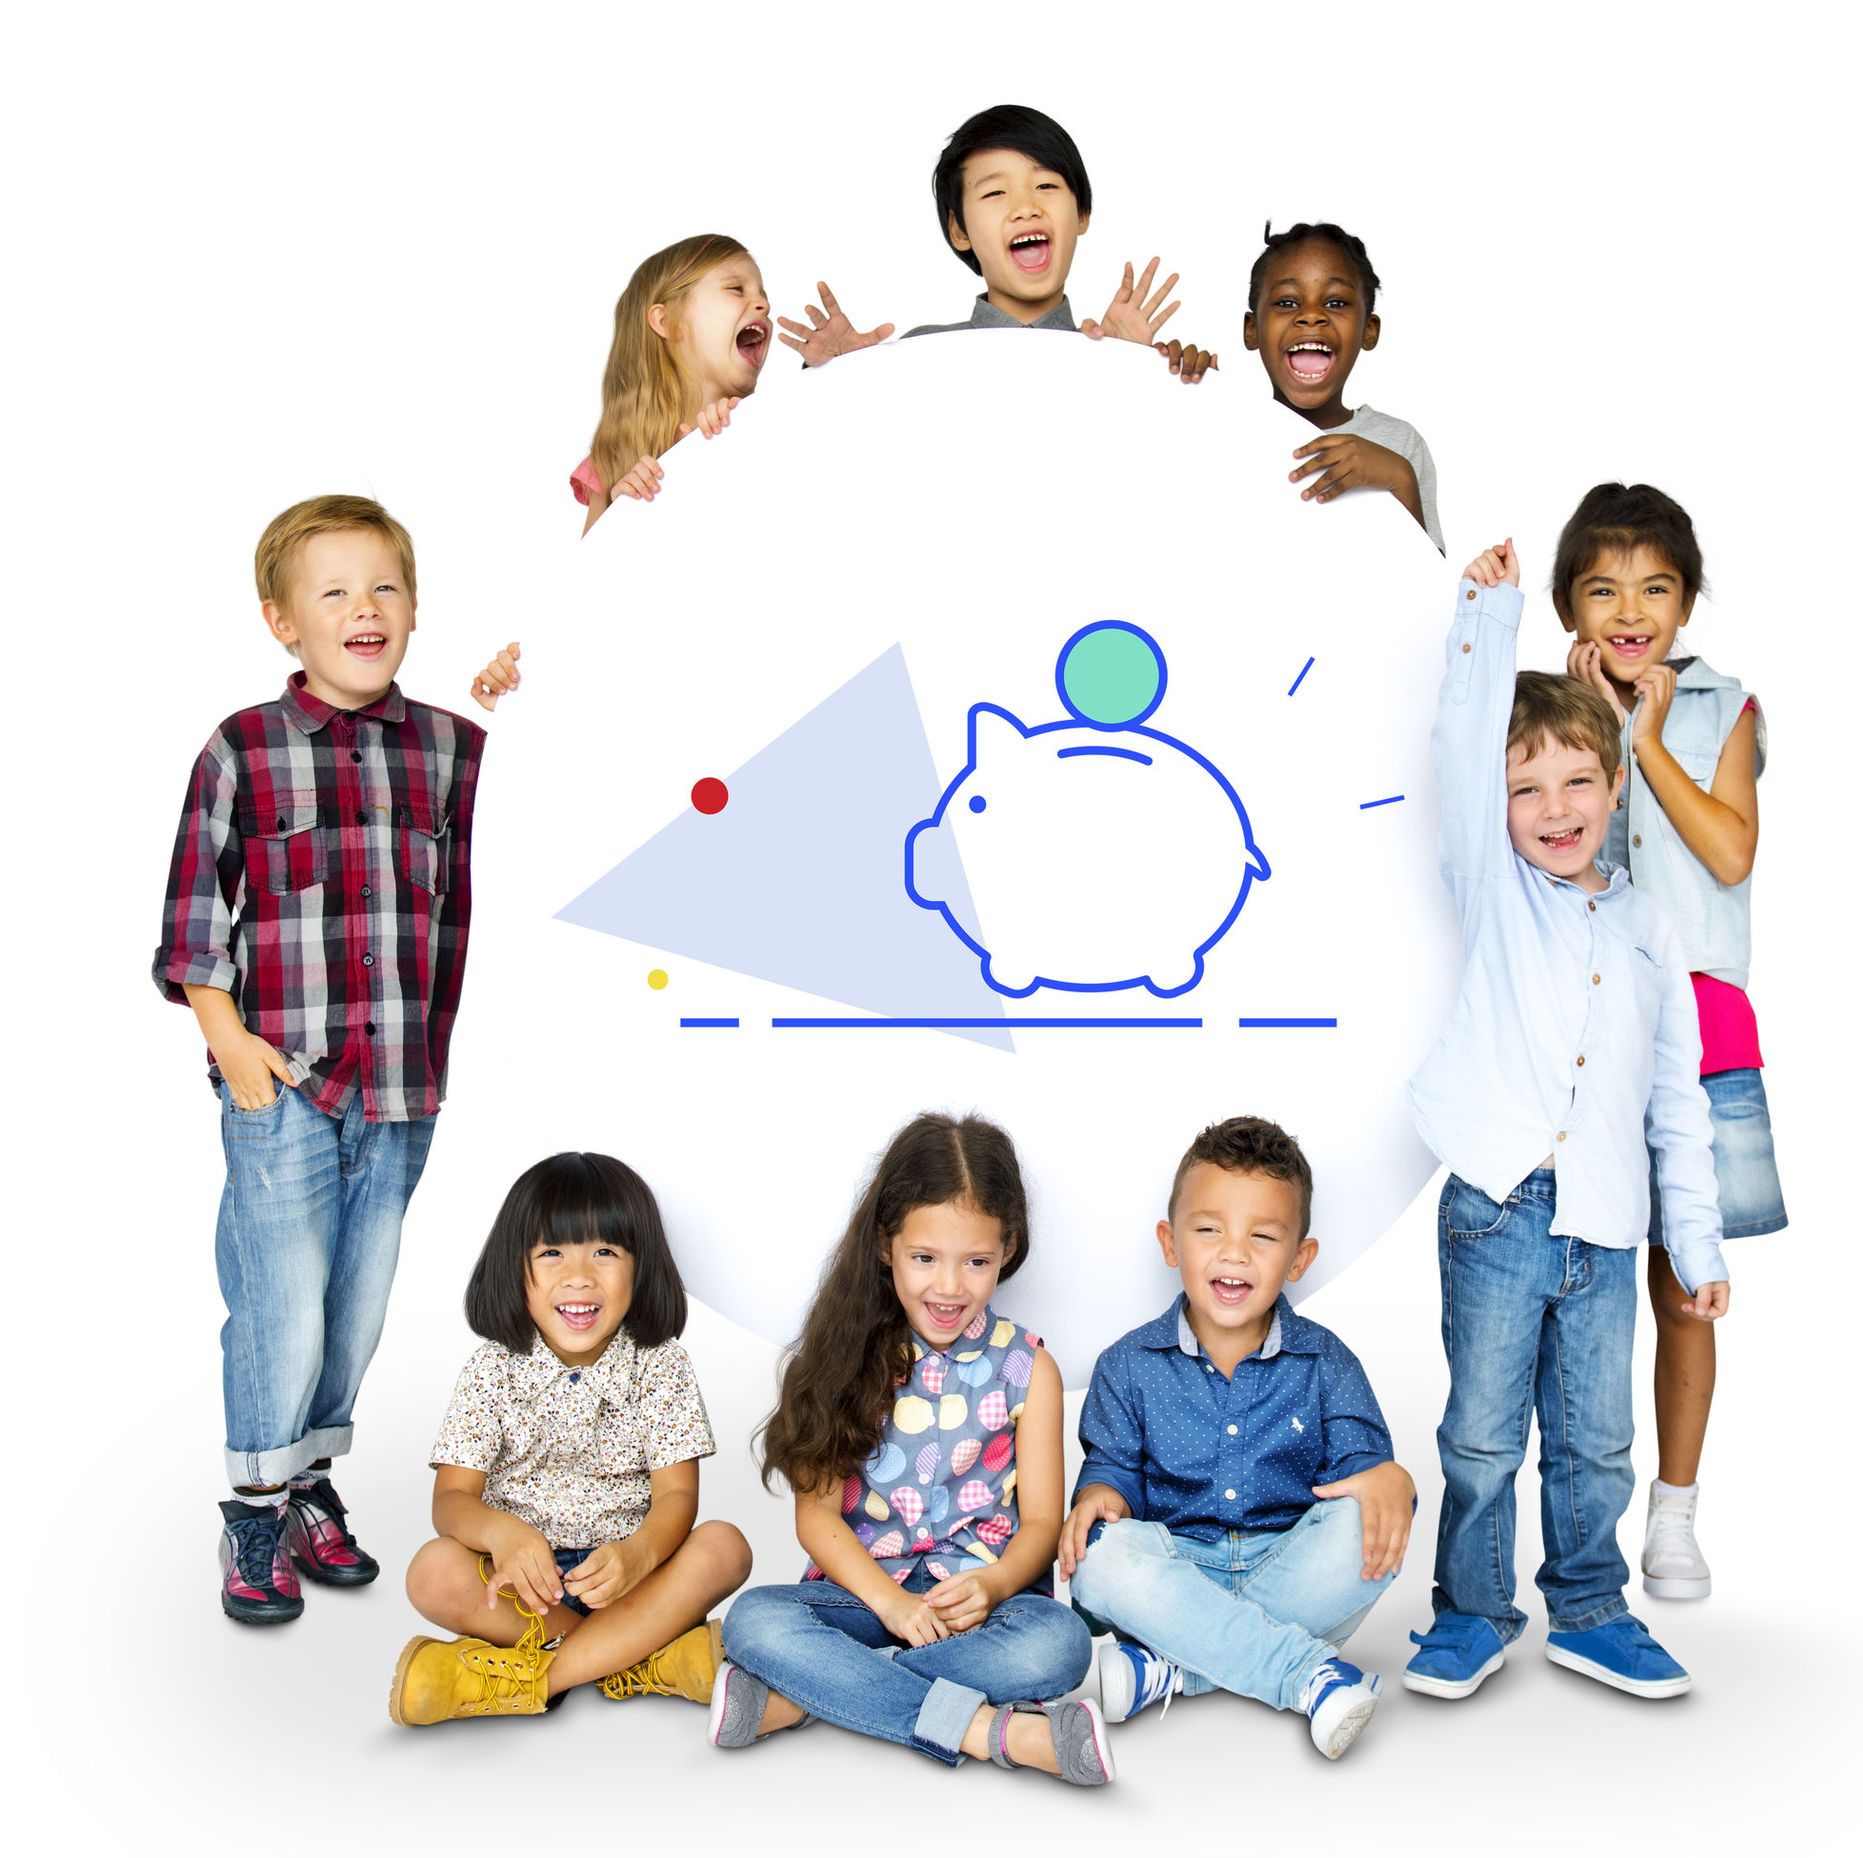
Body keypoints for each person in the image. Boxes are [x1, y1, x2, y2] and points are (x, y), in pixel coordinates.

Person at [152, 493, 517, 1624]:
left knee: (357, 1304)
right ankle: (254, 1514)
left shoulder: (457, 748)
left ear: (412, 610)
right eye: (334, 592)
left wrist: (531, 695)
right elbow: (191, 915)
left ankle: (310, 1477)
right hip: (285, 1082)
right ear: (282, 622)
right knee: (283, 1305)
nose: (365, 608)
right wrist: (229, 1041)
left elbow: (564, 810)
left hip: (402, 1086)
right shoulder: (243, 749)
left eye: (385, 588)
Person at [1402, 538, 1728, 1703]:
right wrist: (1486, 616)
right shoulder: (1495, 892)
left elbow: (1674, 1106)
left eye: (1575, 782)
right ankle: (1470, 1613)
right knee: (1483, 1436)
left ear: (1613, 781)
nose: (1552, 809)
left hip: (1602, 1220)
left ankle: (1589, 1608)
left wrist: (1691, 1242)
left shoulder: (1648, 928)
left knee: (1592, 1442)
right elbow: (1456, 746)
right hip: (1495, 1209)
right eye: (1523, 788)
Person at [709, 1113, 1108, 1784]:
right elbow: (817, 1518)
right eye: (925, 1258)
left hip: (983, 1608)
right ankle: (987, 1730)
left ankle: (818, 1695)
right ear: (885, 1245)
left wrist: (996, 1583)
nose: (949, 1288)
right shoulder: (841, 1358)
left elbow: (1041, 1523)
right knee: (753, 1620)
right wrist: (891, 1605)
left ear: (1006, 1249)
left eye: (975, 1261)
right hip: (866, 1597)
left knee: (1060, 1645)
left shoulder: (1027, 1368)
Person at [1556, 482, 1784, 1600]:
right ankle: (1579, 1523)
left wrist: (1642, 736)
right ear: (1571, 604)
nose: (1629, 608)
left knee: (1684, 1279)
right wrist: (1580, 713)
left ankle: (1676, 1514)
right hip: (1586, 1021)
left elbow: (1729, 854)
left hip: (1699, 1021)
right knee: (1585, 1271)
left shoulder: (1721, 708)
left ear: (1685, 600)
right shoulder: (1551, 707)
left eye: (1653, 586)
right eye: (1602, 588)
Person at [1059, 1116, 1410, 1762]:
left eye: (1264, 1236)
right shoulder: (1127, 1366)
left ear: (1301, 1258)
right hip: (1176, 1566)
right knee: (1099, 1555)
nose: (1234, 1253)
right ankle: (1308, 1673)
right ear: (1171, 1242)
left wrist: (1390, 1478)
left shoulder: (1328, 1364)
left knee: (1377, 1519)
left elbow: (1364, 1470)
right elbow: (1112, 1474)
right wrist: (1100, 1495)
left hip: (1290, 1561)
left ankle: (1176, 1666)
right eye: (1209, 1229)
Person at [390, 1153, 751, 1724]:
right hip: (528, 1588)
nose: (579, 1276)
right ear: (515, 1268)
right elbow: (451, 1501)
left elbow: (678, 1499)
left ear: (642, 1268)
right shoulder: (491, 1369)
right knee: (432, 1571)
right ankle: (637, 1656)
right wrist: (502, 1534)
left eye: (605, 1252)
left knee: (725, 1546)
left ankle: (528, 1679)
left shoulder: (661, 1366)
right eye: (552, 1252)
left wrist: (639, 1554)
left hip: (630, 1577)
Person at [571, 235, 890, 529]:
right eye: (736, 289)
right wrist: (622, 516)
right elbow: (584, 581)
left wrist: (845, 368)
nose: (764, 306)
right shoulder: (610, 460)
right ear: (665, 320)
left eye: (763, 296)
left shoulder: (770, 427)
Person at [895, 102, 1213, 381]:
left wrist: (1129, 370)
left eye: (1046, 185)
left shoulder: (1120, 354)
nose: (1025, 208)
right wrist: (845, 370)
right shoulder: (916, 354)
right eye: (995, 192)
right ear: (959, 230)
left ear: (1082, 213)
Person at [1242, 219, 1442, 548]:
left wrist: (1401, 478)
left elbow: (1431, 593)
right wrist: (1150, 366)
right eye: (1287, 302)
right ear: (1252, 329)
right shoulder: (1226, 422)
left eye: (1335, 303)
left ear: (1369, 330)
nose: (1311, 316)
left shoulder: (1400, 444)